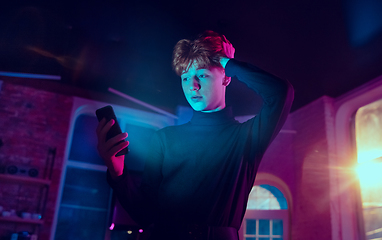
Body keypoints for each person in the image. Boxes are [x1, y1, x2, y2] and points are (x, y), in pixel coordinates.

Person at [96, 30, 294, 240]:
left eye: (202, 74)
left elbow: (280, 92)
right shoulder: (164, 139)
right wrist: (117, 173)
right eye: (185, 77)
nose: (193, 86)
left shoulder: (246, 138)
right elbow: (146, 215)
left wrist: (227, 62)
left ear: (226, 78)